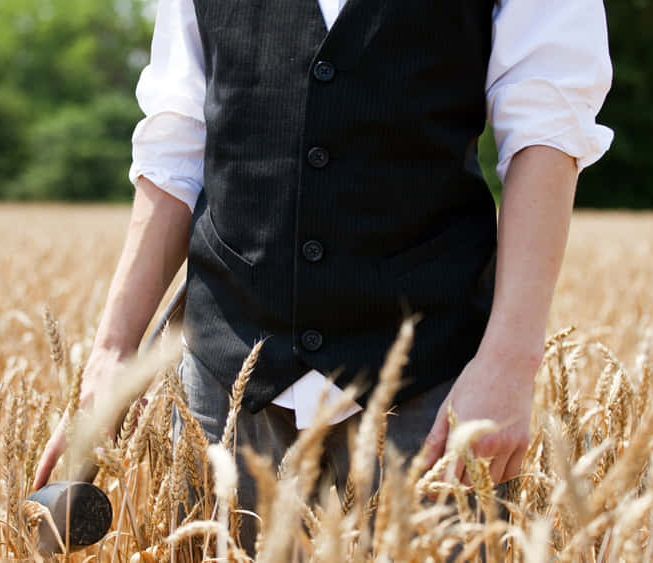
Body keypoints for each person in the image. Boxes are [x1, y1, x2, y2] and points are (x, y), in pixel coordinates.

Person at [33, 0, 613, 547]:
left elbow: (547, 127)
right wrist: (112, 349)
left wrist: (509, 363)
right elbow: (176, 133)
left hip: (433, 382)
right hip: (226, 380)